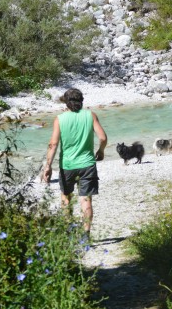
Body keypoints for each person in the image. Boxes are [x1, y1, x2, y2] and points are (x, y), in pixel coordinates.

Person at [43, 88, 107, 241]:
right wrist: (101, 151)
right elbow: (103, 137)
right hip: (87, 165)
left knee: (66, 199)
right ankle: (86, 235)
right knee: (86, 200)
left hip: (67, 166)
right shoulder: (90, 115)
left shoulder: (60, 119)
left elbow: (53, 144)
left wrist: (48, 166)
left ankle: (69, 232)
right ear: (81, 101)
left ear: (66, 103)